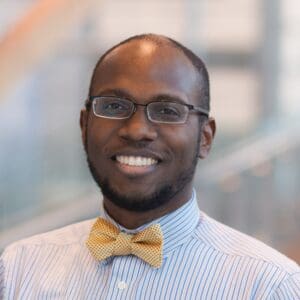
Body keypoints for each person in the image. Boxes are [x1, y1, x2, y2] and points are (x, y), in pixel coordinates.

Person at [1, 33, 299, 299]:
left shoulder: (268, 286)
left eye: (168, 110)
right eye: (114, 106)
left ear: (205, 138)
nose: (137, 130)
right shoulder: (19, 268)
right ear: (84, 125)